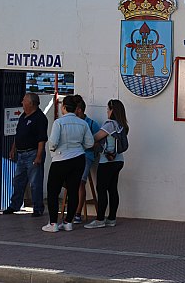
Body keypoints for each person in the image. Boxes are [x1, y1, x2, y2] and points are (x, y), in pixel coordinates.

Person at [43, 95, 94, 232]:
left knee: (53, 191)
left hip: (60, 159)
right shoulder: (83, 123)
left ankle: (53, 223)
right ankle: (68, 222)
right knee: (73, 190)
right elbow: (90, 143)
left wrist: (53, 150)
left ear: (64, 107)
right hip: (79, 158)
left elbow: (53, 142)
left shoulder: (58, 123)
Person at [85, 99, 129, 229]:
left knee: (101, 189)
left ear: (112, 111)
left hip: (107, 161)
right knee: (113, 189)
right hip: (119, 160)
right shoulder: (122, 125)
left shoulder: (110, 124)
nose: (107, 112)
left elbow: (95, 138)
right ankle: (111, 218)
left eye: (108, 110)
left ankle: (99, 220)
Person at [4, 92, 48, 217]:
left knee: (35, 182)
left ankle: (38, 208)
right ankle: (14, 205)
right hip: (21, 154)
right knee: (18, 181)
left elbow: (41, 140)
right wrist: (13, 149)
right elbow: (18, 135)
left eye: (24, 101)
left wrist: (38, 156)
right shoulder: (23, 116)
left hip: (32, 153)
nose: (22, 103)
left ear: (31, 103)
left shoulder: (40, 118)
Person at [72, 95, 101, 224]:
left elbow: (99, 145)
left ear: (79, 109)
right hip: (72, 156)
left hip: (85, 156)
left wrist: (88, 144)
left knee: (80, 182)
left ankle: (77, 213)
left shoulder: (92, 124)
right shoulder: (70, 122)